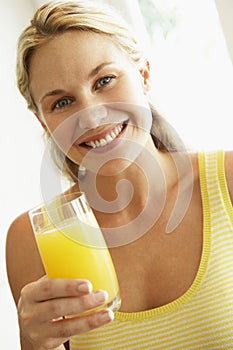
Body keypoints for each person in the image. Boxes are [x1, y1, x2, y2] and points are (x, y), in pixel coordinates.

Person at [6, 1, 233, 349]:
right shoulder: (31, 240)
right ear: (43, 123)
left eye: (105, 80)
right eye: (61, 103)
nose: (92, 117)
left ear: (144, 74)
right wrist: (32, 343)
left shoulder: (228, 181)